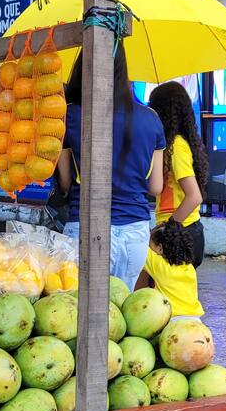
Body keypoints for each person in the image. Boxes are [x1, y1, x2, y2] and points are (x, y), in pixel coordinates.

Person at [56, 47, 165, 288]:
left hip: (83, 228)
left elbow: (65, 182)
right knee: (120, 314)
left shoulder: (69, 115)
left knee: (77, 317)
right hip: (133, 233)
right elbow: (156, 187)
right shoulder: (151, 118)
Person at [148, 82, 209, 267]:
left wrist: (166, 229)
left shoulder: (177, 147)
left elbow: (194, 197)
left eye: (153, 109)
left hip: (182, 231)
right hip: (184, 230)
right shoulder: (174, 145)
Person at [139, 221, 204, 318]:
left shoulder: (158, 264)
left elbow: (138, 246)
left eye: (150, 244)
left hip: (172, 319)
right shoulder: (189, 267)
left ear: (160, 248)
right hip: (194, 318)